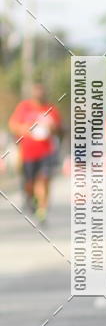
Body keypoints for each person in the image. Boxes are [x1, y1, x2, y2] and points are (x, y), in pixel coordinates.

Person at [8, 82, 62, 222]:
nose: (39, 94)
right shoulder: (24, 107)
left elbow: (59, 129)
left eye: (41, 91)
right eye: (37, 91)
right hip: (28, 153)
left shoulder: (51, 109)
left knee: (44, 179)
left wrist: (52, 128)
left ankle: (42, 209)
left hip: (47, 152)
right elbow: (13, 125)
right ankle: (32, 198)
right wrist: (23, 128)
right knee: (30, 183)